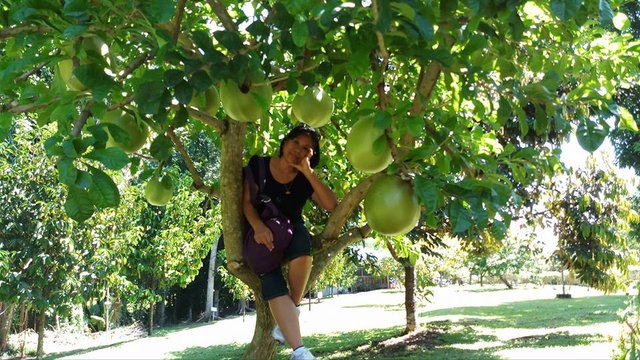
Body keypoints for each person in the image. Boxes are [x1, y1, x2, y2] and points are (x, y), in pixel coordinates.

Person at [243, 125, 337, 360]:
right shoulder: (260, 164)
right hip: (260, 233)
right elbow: (246, 203)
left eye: (306, 149)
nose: (298, 150)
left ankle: (293, 330)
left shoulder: (305, 179)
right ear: (286, 141)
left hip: (292, 231)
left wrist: (308, 173)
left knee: (302, 242)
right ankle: (299, 349)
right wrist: (258, 226)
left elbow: (331, 204)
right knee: (270, 279)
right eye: (296, 142)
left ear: (311, 156)